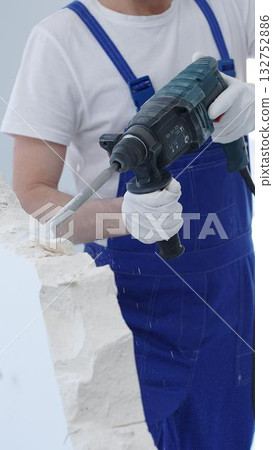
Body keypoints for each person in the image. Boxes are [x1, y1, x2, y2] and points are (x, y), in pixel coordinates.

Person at [1, 0, 255, 448]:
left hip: (231, 306)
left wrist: (262, 109)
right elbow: (32, 202)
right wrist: (123, 216)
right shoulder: (60, 42)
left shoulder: (233, 9)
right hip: (135, 313)